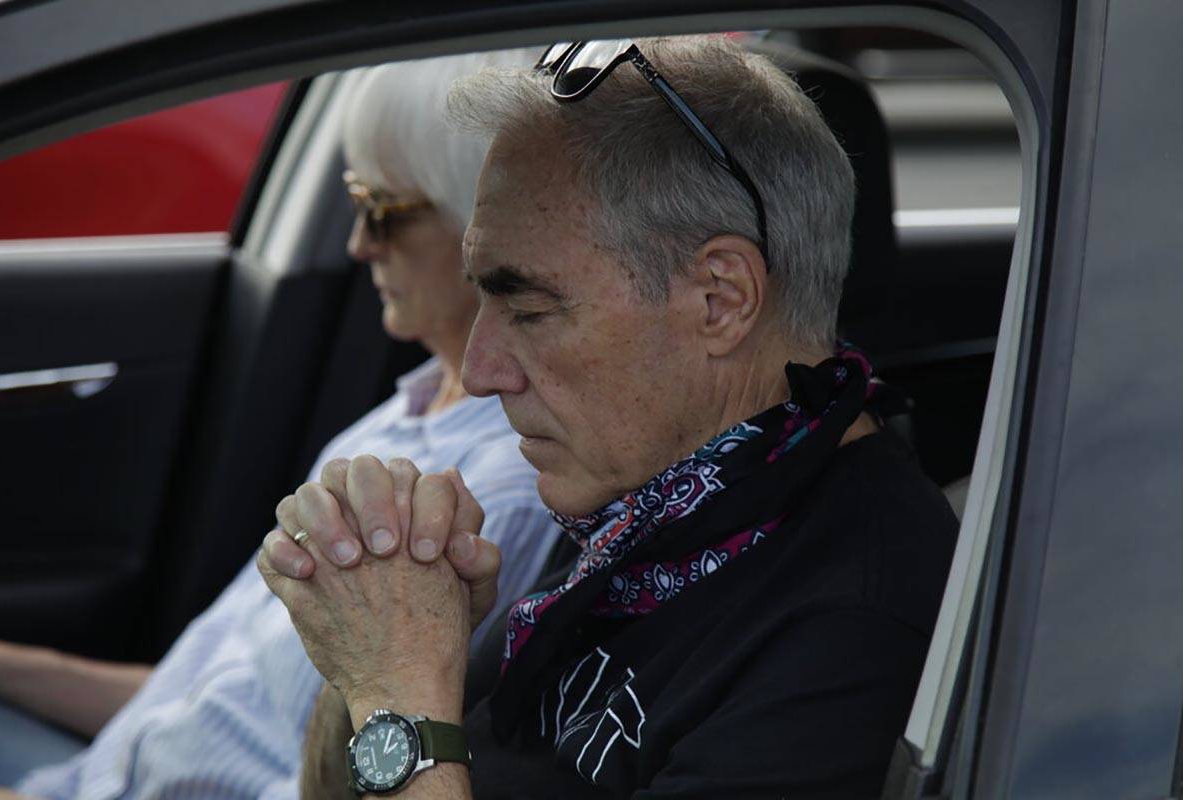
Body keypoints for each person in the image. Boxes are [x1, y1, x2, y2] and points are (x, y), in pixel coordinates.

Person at [259, 36, 958, 799]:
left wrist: (401, 687)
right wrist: (390, 644)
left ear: (719, 299)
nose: (482, 368)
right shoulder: (661, 500)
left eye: (528, 307)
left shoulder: (853, 629)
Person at [0, 48, 558, 799]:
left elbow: (308, 775)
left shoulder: (480, 501)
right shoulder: (406, 417)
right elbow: (198, 701)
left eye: (383, 210)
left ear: (485, 228)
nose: (358, 245)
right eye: (355, 201)